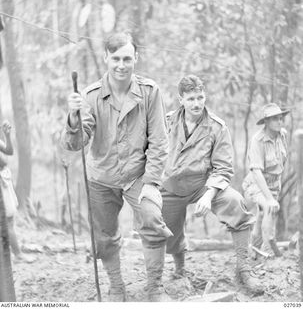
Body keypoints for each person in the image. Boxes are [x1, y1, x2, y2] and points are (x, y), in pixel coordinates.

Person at [61, 32, 172, 302]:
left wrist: (151, 183)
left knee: (152, 220)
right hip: (101, 177)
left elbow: (159, 141)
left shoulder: (149, 92)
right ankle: (116, 286)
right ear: (105, 59)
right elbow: (76, 144)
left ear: (136, 58)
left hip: (138, 176)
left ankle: (155, 287)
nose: (121, 65)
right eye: (115, 59)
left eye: (126, 58)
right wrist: (74, 118)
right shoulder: (90, 95)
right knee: (104, 235)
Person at [161, 75, 263, 295]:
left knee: (235, 203)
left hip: (203, 184)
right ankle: (179, 268)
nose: (197, 103)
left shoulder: (217, 127)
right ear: (181, 100)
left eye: (200, 97)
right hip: (170, 184)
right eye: (191, 99)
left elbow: (223, 167)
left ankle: (243, 269)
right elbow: (150, 152)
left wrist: (208, 195)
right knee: (167, 229)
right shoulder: (166, 121)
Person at [242, 103, 289, 257]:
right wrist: (269, 198)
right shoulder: (258, 140)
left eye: (280, 118)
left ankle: (253, 253)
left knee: (263, 215)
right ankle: (268, 248)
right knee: (268, 208)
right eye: (274, 119)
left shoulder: (283, 135)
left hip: (274, 185)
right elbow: (256, 172)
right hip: (256, 183)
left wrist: (274, 190)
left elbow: (282, 162)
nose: (279, 121)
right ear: (266, 122)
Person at [0, 120, 35, 263]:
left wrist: (7, 135)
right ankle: (18, 254)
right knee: (8, 219)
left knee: (10, 218)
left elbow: (9, 151)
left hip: (4, 179)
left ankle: (14, 252)